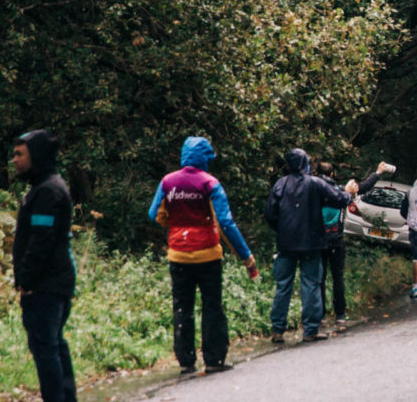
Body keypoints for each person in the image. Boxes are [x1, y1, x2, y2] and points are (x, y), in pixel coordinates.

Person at [148, 136, 259, 375]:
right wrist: (246, 256)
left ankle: (186, 361)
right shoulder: (210, 183)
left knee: (182, 307)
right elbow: (226, 223)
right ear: (206, 158)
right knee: (212, 306)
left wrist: (177, 224)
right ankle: (213, 359)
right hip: (208, 255)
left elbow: (154, 214)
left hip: (178, 254)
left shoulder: (168, 182)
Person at [11, 130, 77, 402]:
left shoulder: (47, 191)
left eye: (20, 154)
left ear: (35, 155)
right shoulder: (44, 188)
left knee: (45, 346)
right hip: (55, 279)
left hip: (48, 282)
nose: (15, 160)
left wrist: (27, 279)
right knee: (54, 343)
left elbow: (41, 240)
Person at [265, 148, 353, 344]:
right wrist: (349, 193)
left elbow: (270, 214)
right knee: (311, 284)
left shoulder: (280, 184)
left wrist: (282, 230)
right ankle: (310, 330)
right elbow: (339, 199)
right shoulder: (314, 183)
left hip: (286, 243)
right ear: (305, 163)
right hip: (312, 243)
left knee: (283, 286)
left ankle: (277, 330)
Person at [317, 159, 392, 321]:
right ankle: (340, 314)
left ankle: (320, 314)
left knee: (319, 278)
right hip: (336, 239)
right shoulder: (340, 191)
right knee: (338, 277)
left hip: (318, 240)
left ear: (317, 174)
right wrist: (378, 172)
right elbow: (363, 187)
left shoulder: (312, 191)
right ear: (332, 174)